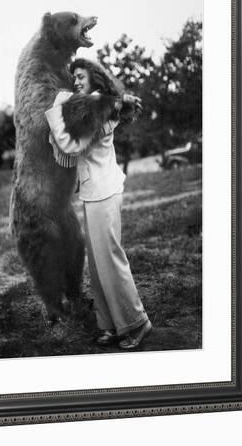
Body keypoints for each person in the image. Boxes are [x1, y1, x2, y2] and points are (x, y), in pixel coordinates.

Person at [44, 58, 152, 349]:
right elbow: (76, 106)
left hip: (104, 191)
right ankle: (110, 324)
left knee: (111, 260)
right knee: (98, 263)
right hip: (94, 192)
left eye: (80, 76)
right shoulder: (93, 106)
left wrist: (56, 110)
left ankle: (137, 322)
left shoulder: (98, 108)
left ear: (94, 78)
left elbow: (70, 145)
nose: (76, 81)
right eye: (74, 77)